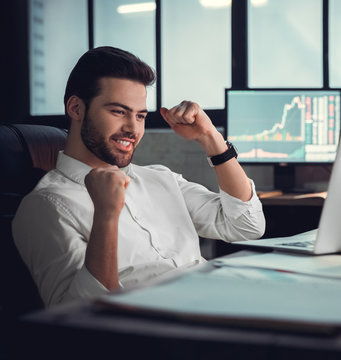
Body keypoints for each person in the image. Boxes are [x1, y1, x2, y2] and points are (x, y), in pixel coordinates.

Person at [12, 46, 265, 307]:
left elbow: (246, 225)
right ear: (76, 108)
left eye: (140, 115)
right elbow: (79, 313)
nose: (133, 128)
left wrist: (210, 137)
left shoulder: (160, 178)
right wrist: (106, 214)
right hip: (164, 335)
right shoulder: (45, 206)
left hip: (220, 302)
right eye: (118, 112)